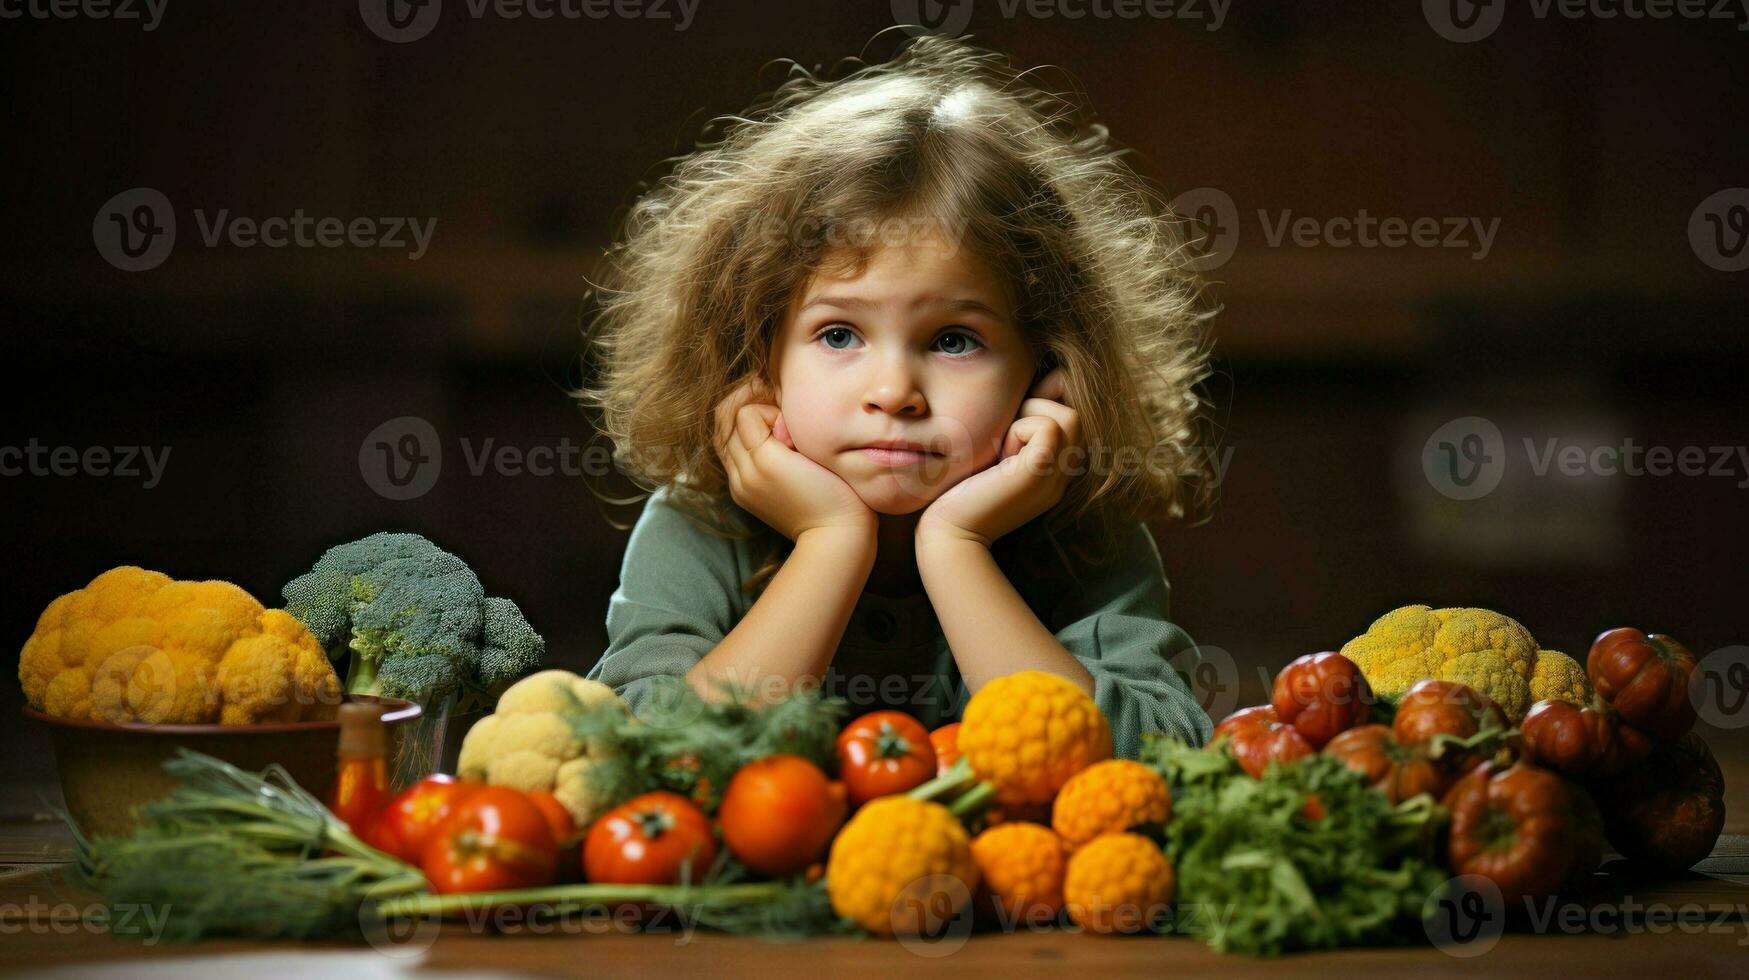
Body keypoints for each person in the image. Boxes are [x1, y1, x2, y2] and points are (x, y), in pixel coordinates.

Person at [574, 34, 1219, 759]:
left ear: (1048, 369)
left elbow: (1149, 763)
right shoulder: (699, 527)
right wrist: (829, 544)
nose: (893, 393)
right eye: (840, 335)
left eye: (952, 342)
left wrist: (958, 548)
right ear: (756, 356)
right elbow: (647, 766)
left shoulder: (1086, 536)